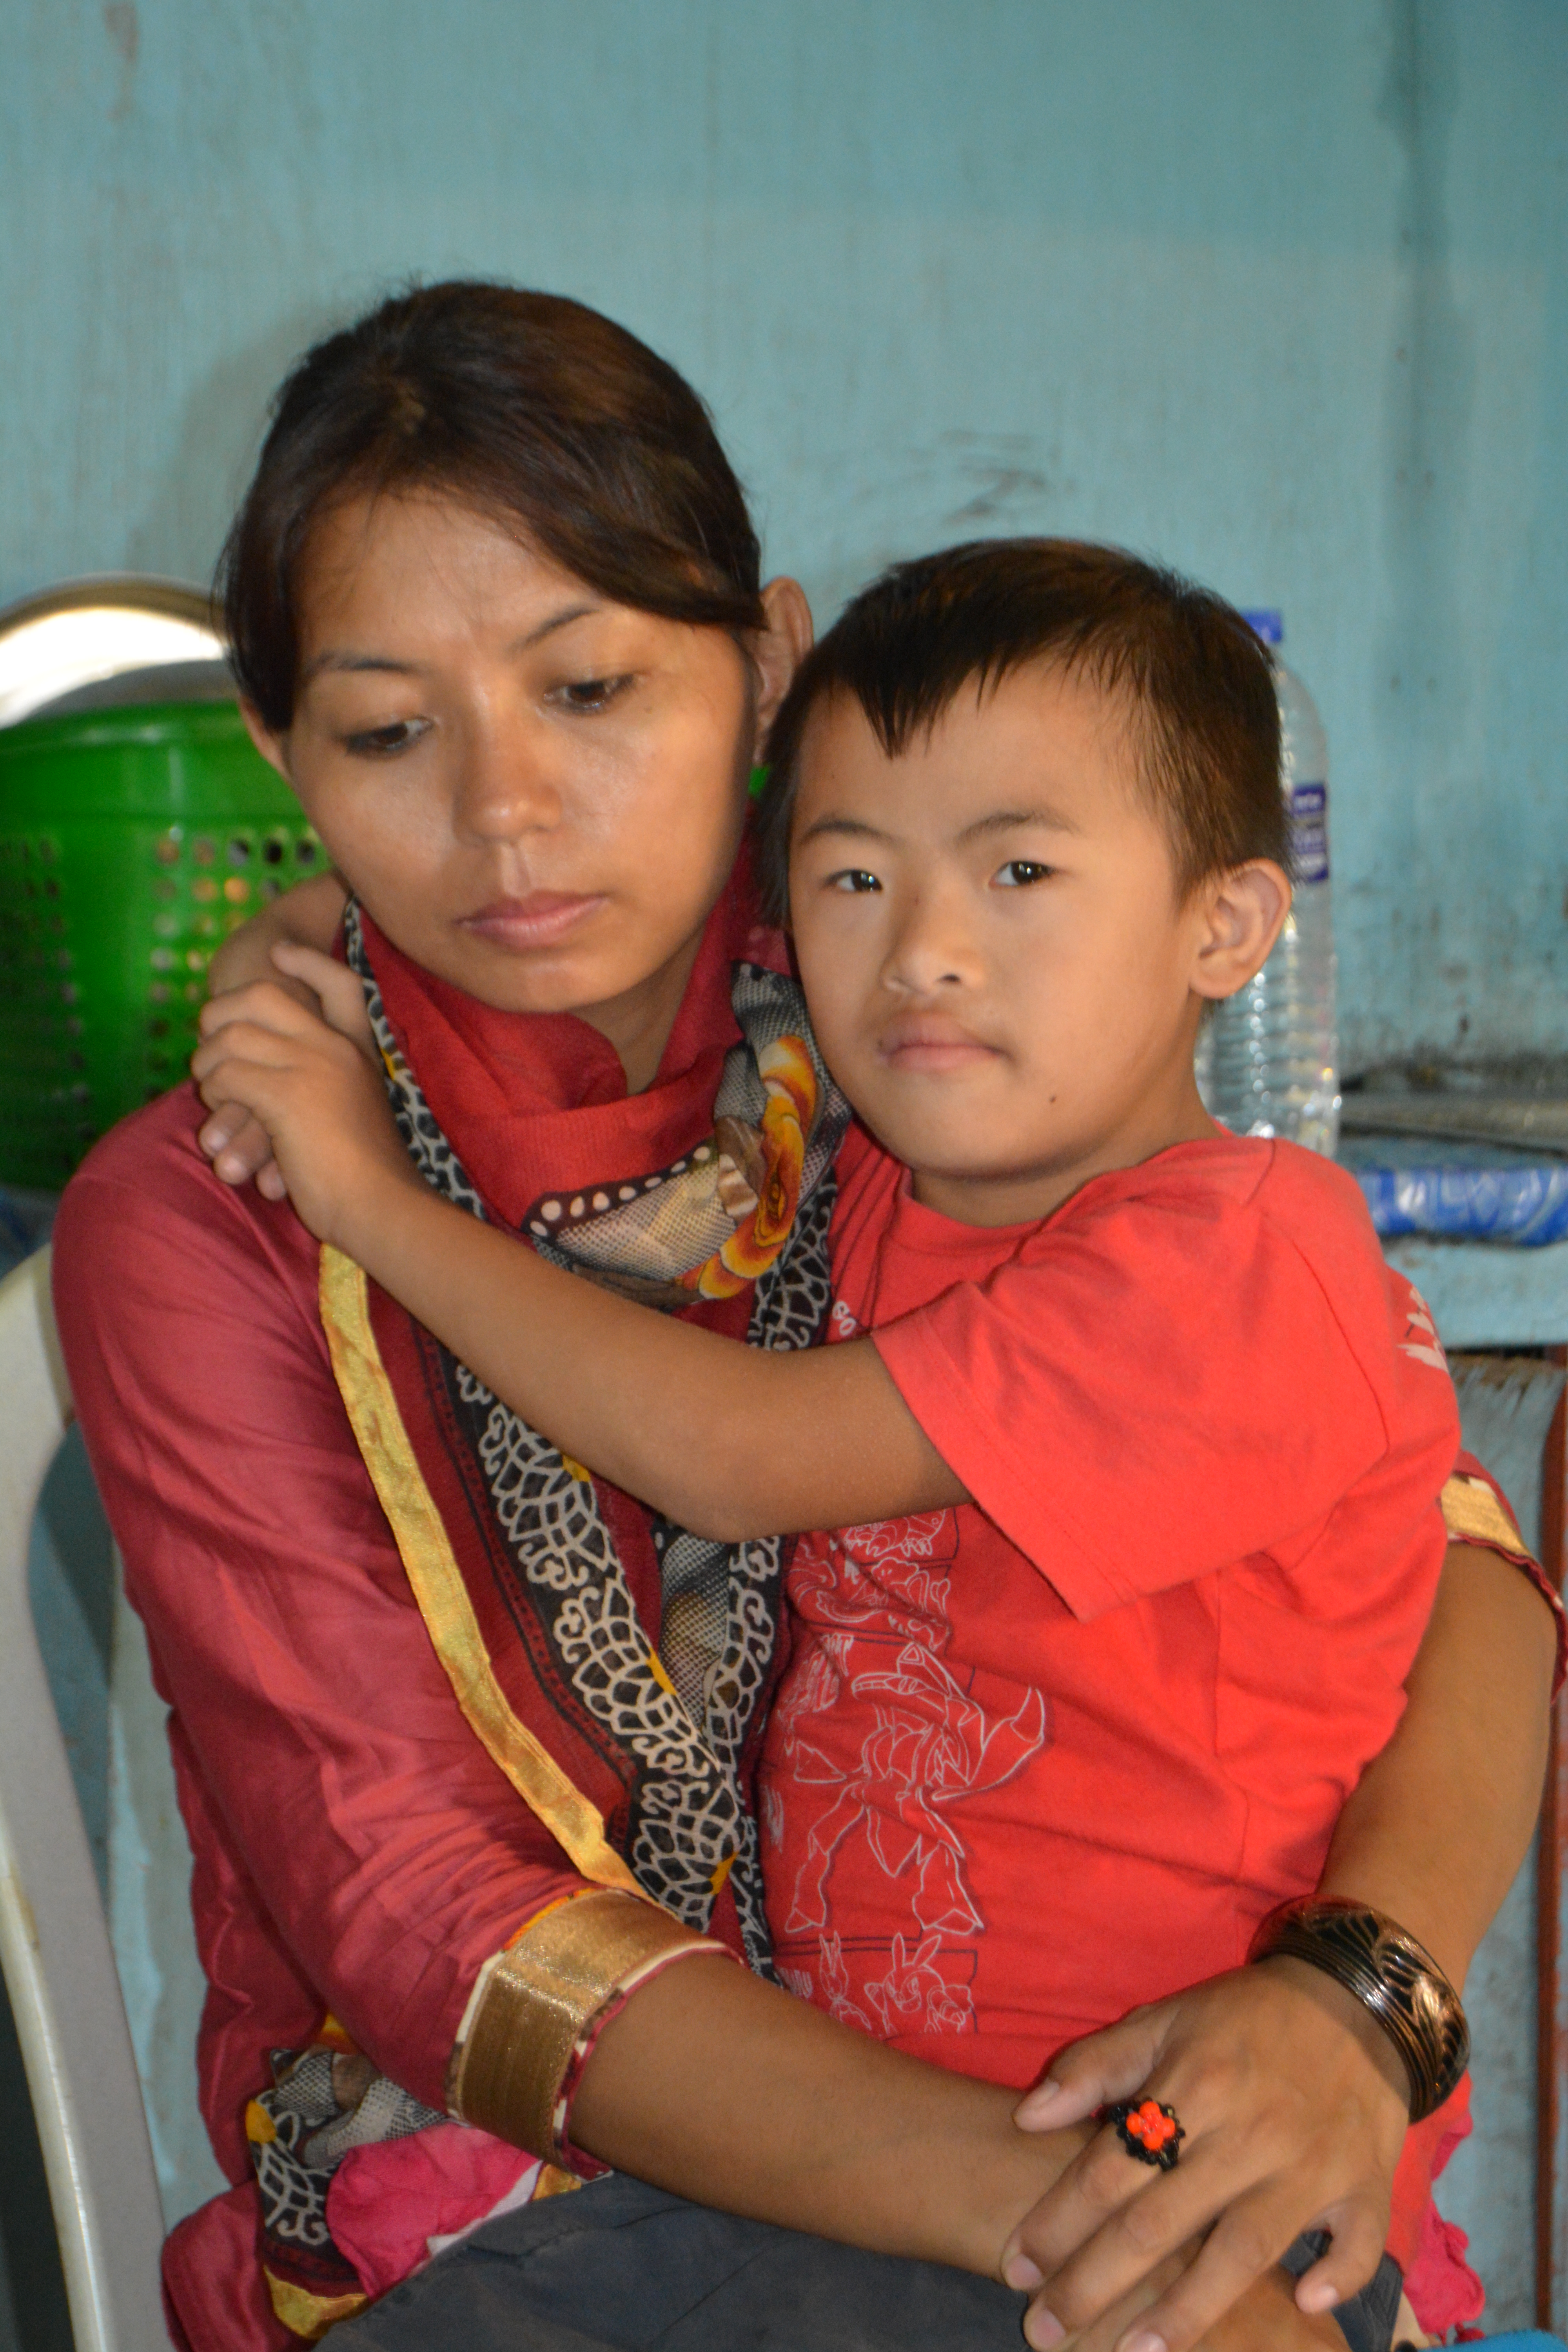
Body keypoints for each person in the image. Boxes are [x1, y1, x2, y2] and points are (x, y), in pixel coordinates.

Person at [54, 283, 1557, 2352]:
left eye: (593, 689)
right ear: (280, 749)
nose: (505, 814)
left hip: (1112, 2154)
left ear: (767, 663)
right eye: (389, 734)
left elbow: (1435, 1545)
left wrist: (1357, 2001)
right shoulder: (222, 1211)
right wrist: (1093, 2232)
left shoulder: (911, 1030)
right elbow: (427, 1914)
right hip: (510, 2211)